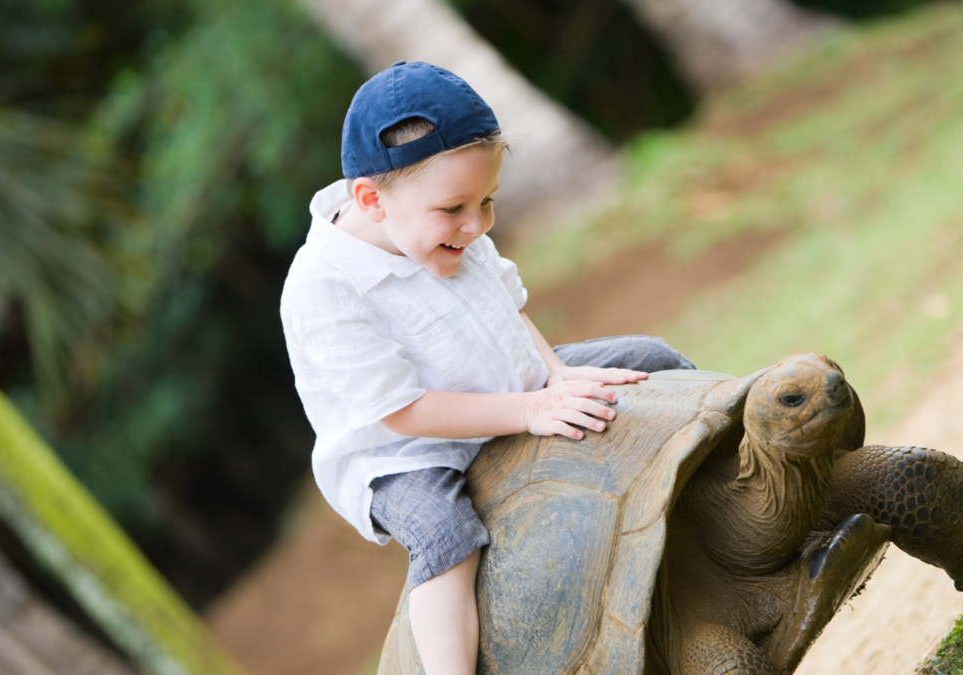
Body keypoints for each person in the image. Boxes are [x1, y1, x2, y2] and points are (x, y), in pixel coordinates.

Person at [280, 61, 694, 675]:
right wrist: (531, 410)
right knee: (446, 538)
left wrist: (554, 374)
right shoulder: (322, 289)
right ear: (371, 198)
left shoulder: (453, 226)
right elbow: (401, 410)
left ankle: (747, 475)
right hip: (406, 452)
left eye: (488, 201)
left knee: (648, 359)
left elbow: (508, 309)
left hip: (511, 383)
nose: (476, 226)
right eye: (455, 209)